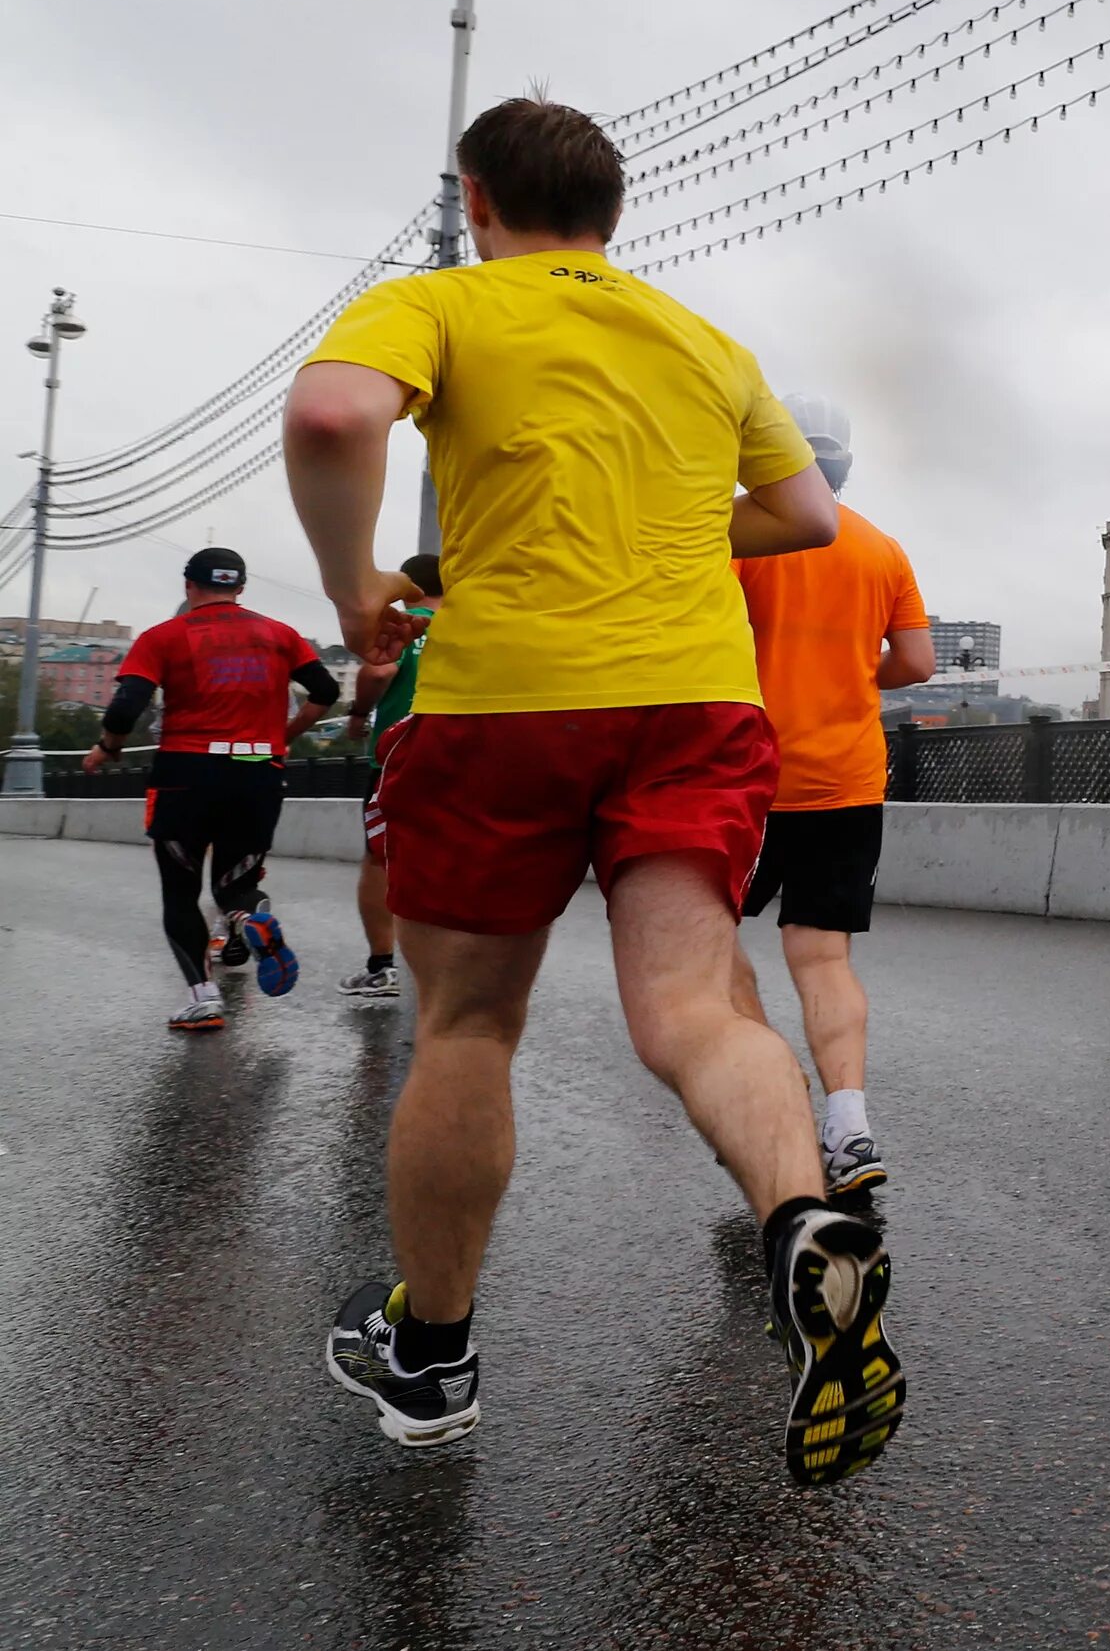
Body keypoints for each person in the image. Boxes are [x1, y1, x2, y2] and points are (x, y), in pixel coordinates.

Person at [284, 97, 905, 1482]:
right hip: (695, 698)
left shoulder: (445, 301)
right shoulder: (703, 339)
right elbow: (803, 516)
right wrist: (674, 522)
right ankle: (804, 1219)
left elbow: (333, 412)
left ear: (477, 196)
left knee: (468, 1025)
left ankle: (433, 1356)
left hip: (508, 697)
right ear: (614, 218)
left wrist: (358, 586)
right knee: (694, 1005)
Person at [727, 395, 935, 1198]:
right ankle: (848, 1124)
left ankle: (759, 1099)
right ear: (845, 463)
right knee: (823, 956)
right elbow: (914, 663)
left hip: (746, 776)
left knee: (704, 942)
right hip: (845, 780)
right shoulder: (882, 550)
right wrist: (854, 677)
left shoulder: (739, 539)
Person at [82, 547, 340, 1029]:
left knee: (181, 892)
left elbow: (124, 709)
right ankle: (249, 920)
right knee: (237, 885)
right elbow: (326, 690)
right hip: (259, 770)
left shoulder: (163, 636)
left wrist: (108, 748)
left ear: (189, 586)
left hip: (186, 775)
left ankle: (204, 1000)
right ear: (240, 587)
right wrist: (282, 737)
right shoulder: (281, 634)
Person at [338, 552, 443, 1000]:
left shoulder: (404, 623)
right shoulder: (473, 625)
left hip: (401, 758)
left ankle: (382, 967)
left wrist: (359, 714)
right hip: (467, 756)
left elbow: (379, 669)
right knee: (452, 858)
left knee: (382, 859)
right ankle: (452, 974)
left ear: (408, 586)